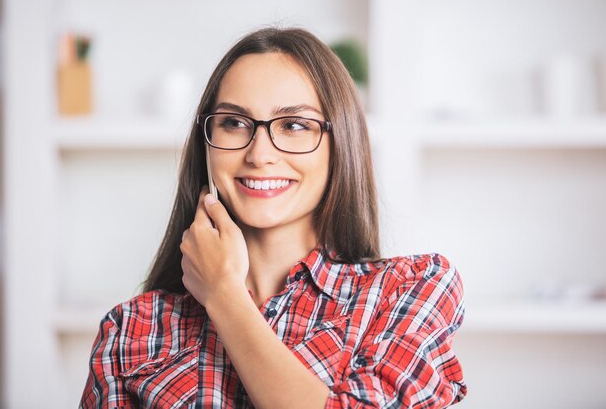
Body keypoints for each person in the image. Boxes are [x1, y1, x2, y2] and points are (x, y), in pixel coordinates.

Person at [79, 27, 467, 409]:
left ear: (340, 144)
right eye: (233, 122)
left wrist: (224, 296)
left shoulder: (409, 291)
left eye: (294, 125)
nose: (259, 153)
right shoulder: (131, 330)